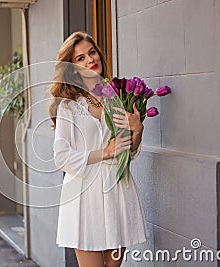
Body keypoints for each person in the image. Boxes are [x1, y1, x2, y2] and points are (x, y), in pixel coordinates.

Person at [49, 31, 148, 267]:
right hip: (84, 195)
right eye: (80, 58)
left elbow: (128, 153)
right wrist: (105, 152)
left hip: (117, 191)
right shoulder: (68, 106)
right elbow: (61, 157)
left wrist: (138, 130)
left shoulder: (118, 98)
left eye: (91, 52)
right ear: (72, 69)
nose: (90, 59)